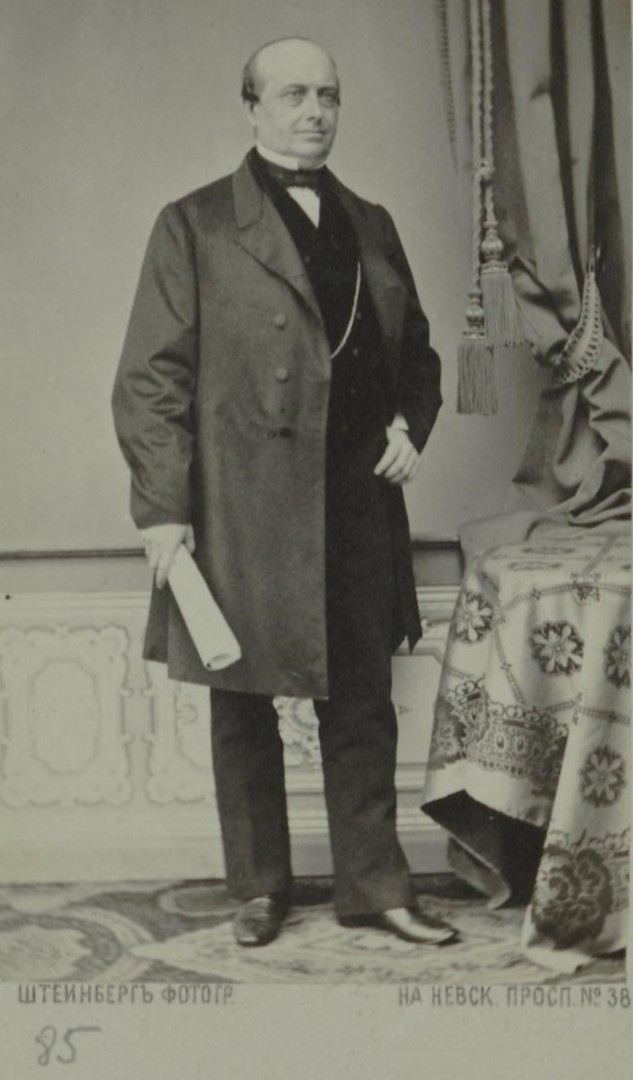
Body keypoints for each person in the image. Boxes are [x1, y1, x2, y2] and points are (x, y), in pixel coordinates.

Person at [112, 36, 457, 948]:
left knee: (362, 698)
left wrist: (406, 425)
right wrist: (164, 510)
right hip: (242, 501)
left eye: (328, 96)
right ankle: (259, 887)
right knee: (242, 703)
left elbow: (417, 352)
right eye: (294, 94)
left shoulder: (371, 221)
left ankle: (375, 887)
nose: (315, 112)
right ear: (253, 106)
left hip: (355, 497)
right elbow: (149, 381)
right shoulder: (193, 224)